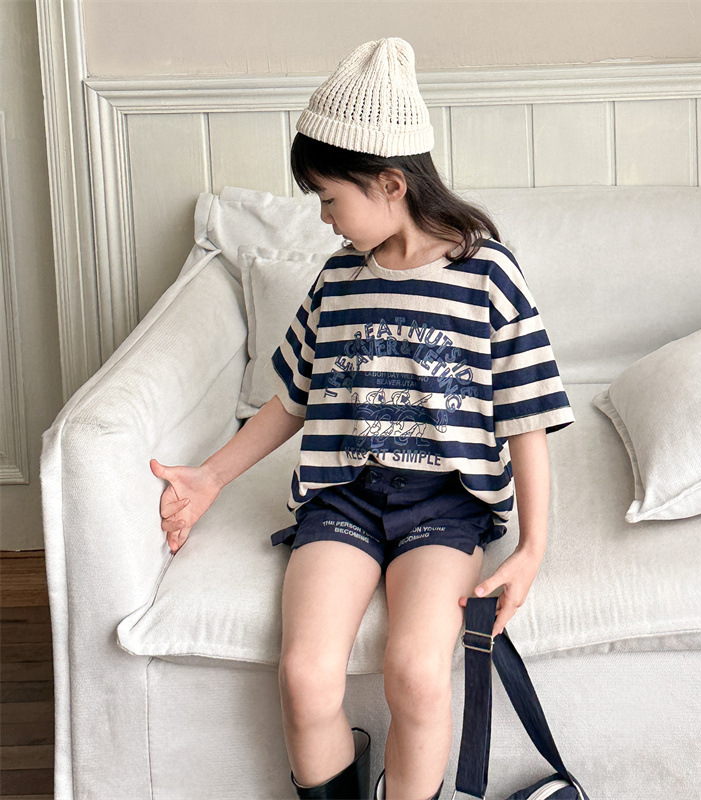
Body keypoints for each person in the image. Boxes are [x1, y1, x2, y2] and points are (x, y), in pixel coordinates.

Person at [150, 37, 575, 800]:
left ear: (390, 184)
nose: (324, 218)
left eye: (329, 199)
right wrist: (209, 478)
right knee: (305, 675)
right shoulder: (340, 279)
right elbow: (291, 397)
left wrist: (533, 548)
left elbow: (528, 415)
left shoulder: (488, 275)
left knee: (417, 674)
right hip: (344, 497)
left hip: (445, 505)